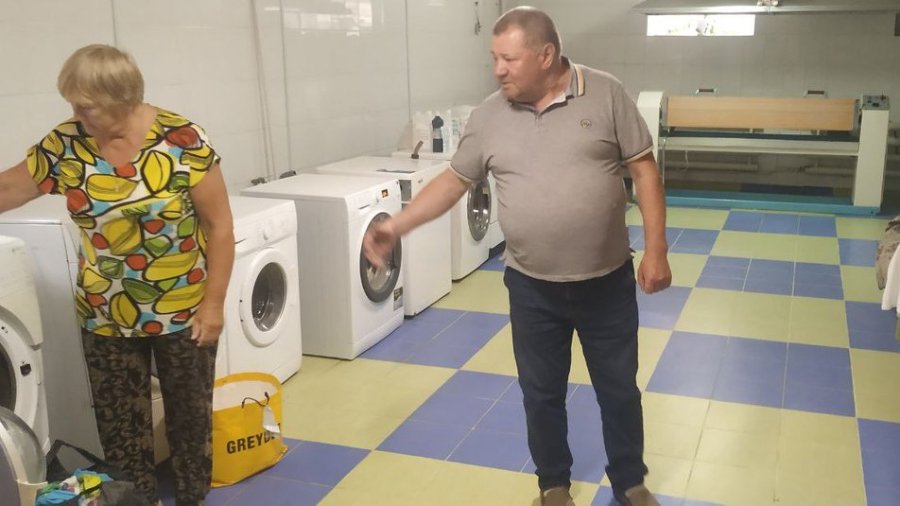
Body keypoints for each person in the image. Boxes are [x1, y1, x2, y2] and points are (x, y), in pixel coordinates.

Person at [364, 7, 670, 506]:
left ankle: (630, 481)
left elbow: (644, 170)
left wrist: (656, 250)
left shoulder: (605, 93)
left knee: (618, 389)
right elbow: (453, 182)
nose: (498, 70)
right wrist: (396, 225)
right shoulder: (489, 115)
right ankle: (553, 485)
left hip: (605, 281)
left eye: (508, 59)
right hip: (532, 286)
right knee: (541, 393)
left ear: (546, 55)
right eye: (494, 58)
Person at [0, 44, 234, 506]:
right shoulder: (66, 144)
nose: (76, 114)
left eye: (85, 106)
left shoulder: (182, 140)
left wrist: (214, 305)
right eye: (72, 104)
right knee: (119, 426)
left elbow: (220, 227)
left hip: (184, 309)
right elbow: (8, 188)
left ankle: (192, 498)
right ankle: (135, 500)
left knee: (190, 418)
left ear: (121, 99)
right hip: (105, 313)